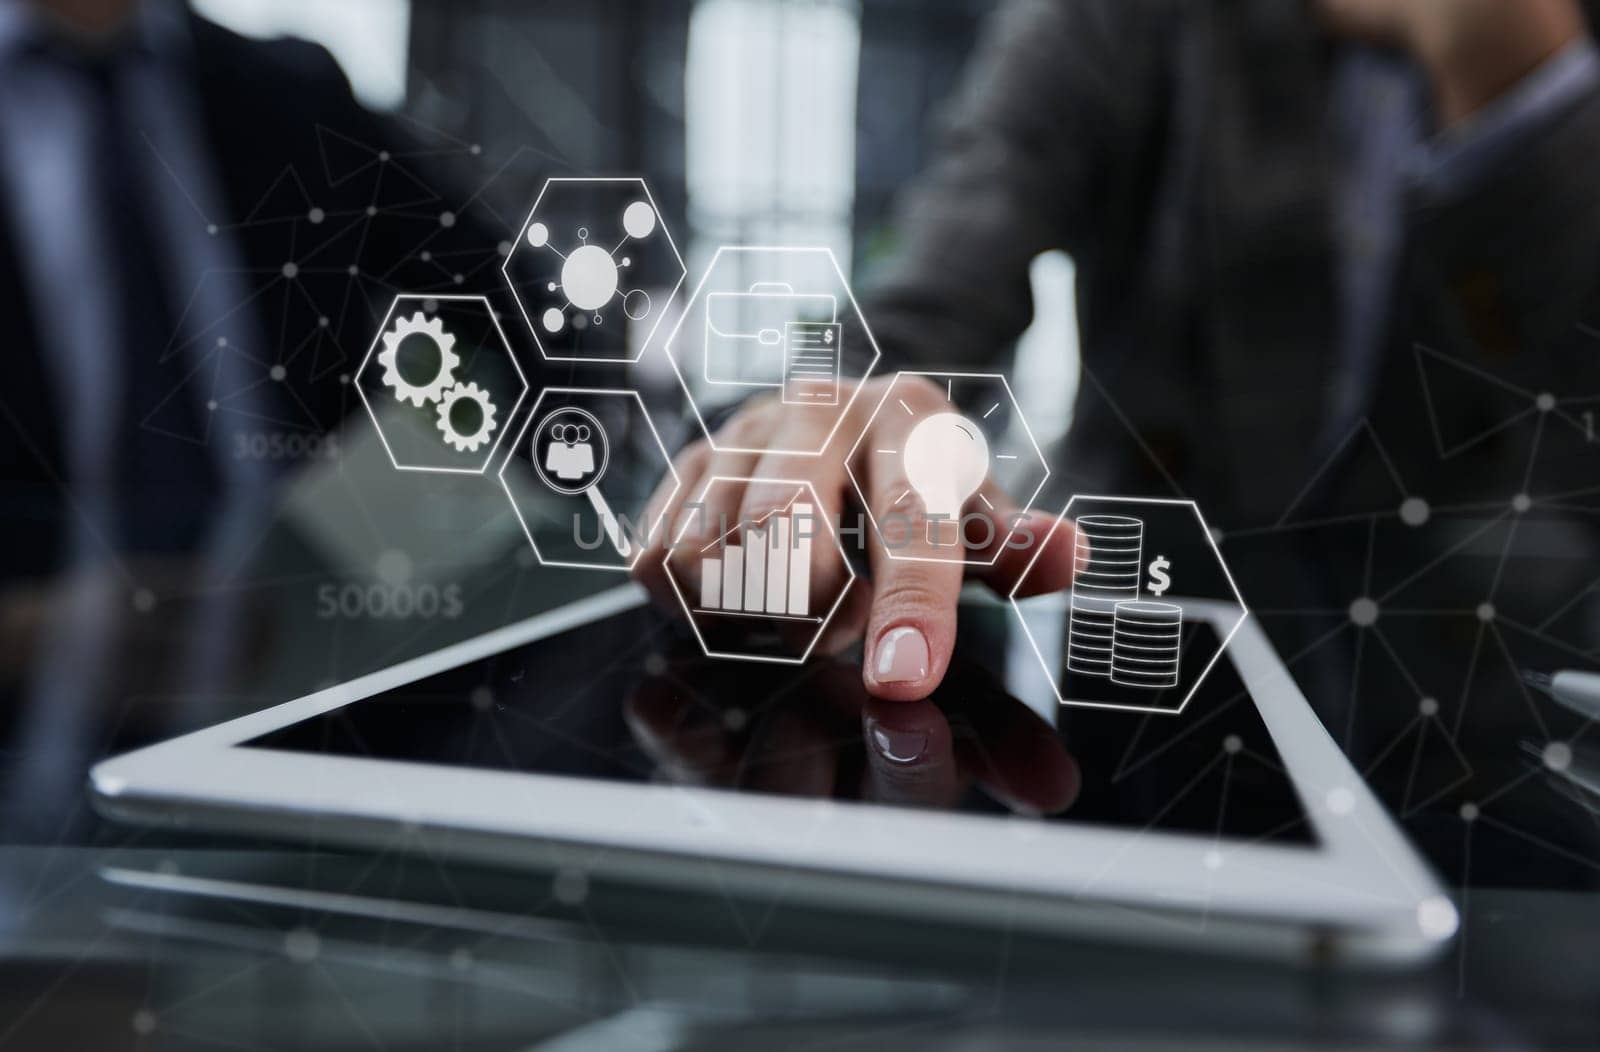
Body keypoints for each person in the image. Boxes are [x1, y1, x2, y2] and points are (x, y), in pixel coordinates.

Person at [641, 0, 1600, 729]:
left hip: (1482, 682)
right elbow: (924, 305)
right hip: (1133, 646)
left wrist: (1532, 96)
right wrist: (810, 427)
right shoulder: (1122, 22)